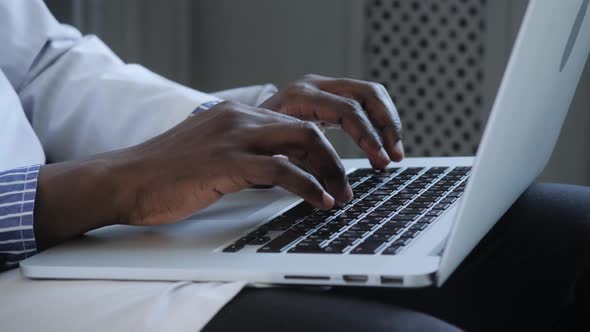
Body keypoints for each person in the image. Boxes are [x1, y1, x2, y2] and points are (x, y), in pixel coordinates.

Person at [1, 1, 589, 331]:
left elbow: (41, 63)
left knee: (575, 239)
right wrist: (94, 189)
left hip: (76, 226)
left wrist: (235, 125)